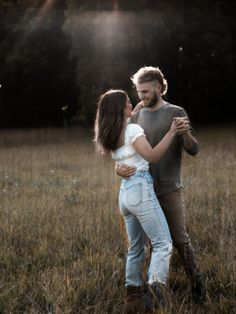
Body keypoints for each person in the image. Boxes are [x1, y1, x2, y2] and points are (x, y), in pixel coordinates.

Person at [94, 89, 188, 311]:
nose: (132, 103)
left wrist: (135, 108)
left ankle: (133, 293)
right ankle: (155, 293)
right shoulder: (133, 129)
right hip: (141, 190)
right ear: (121, 108)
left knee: (136, 247)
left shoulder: (111, 132)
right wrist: (172, 131)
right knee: (163, 243)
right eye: (128, 102)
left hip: (125, 195)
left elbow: (126, 153)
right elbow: (153, 156)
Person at [116, 66, 205, 300]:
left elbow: (194, 149)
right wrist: (118, 168)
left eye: (145, 91)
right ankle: (149, 289)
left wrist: (184, 134)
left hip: (168, 188)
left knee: (179, 240)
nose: (141, 96)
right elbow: (126, 148)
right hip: (142, 189)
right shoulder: (136, 115)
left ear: (159, 87)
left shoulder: (176, 112)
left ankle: (197, 285)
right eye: (138, 91)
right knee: (148, 244)